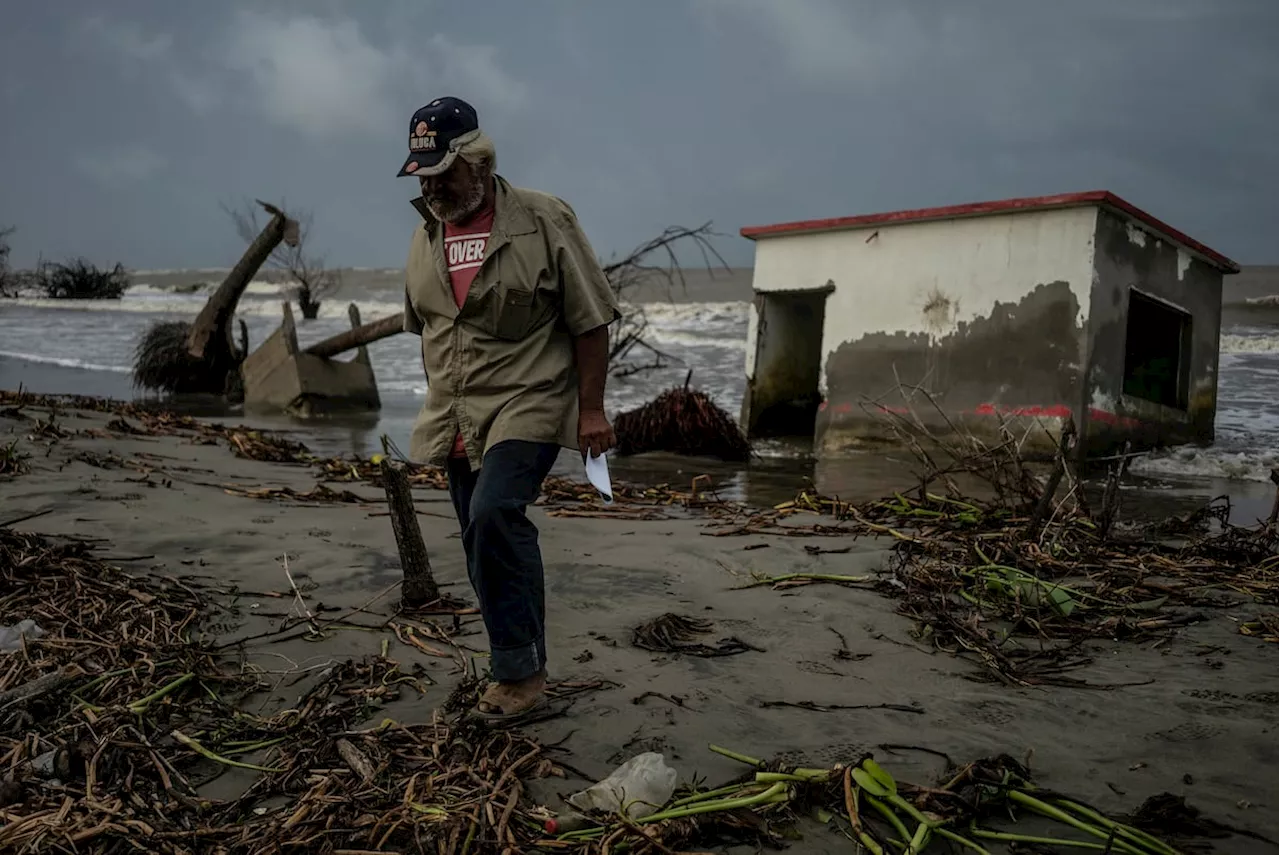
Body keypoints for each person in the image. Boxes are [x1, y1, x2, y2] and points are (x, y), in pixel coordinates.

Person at [397, 96, 621, 724]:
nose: (435, 186)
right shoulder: (424, 235)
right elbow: (427, 333)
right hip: (456, 409)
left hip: (531, 395)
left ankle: (522, 677)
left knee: (497, 514)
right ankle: (515, 657)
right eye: (424, 174)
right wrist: (437, 407)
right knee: (476, 538)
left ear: (479, 158)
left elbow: (591, 317)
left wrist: (592, 411)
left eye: (445, 171)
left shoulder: (543, 218)